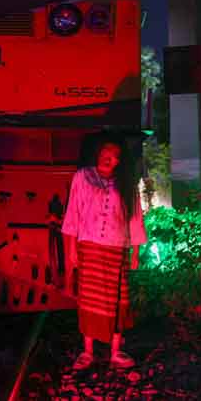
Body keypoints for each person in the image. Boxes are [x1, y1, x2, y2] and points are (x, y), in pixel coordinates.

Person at [62, 134, 148, 370]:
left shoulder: (127, 184)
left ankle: (115, 351)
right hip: (89, 247)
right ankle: (87, 352)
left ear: (120, 161)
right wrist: (71, 250)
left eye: (115, 156)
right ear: (98, 154)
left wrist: (135, 253)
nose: (110, 159)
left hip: (116, 249)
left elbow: (135, 218)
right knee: (89, 302)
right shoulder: (82, 177)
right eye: (105, 154)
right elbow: (73, 214)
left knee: (117, 302)